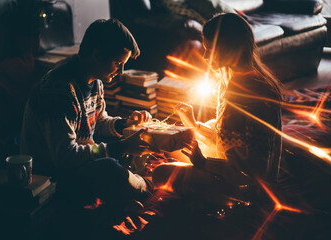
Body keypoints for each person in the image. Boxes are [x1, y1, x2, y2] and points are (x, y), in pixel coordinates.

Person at [20, 19, 153, 207]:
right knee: (109, 168)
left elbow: (98, 121)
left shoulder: (95, 81)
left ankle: (127, 187)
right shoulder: (59, 92)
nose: (121, 72)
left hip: (79, 161)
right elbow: (65, 157)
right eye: (118, 63)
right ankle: (146, 187)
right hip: (52, 176)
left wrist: (125, 124)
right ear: (97, 55)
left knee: (131, 146)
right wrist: (121, 147)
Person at [153, 13, 283, 198]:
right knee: (172, 149)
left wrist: (204, 163)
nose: (205, 56)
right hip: (230, 167)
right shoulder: (230, 80)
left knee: (160, 174)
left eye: (210, 50)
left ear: (228, 48)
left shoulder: (251, 94)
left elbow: (255, 170)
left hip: (247, 186)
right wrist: (194, 124)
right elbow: (226, 139)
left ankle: (210, 199)